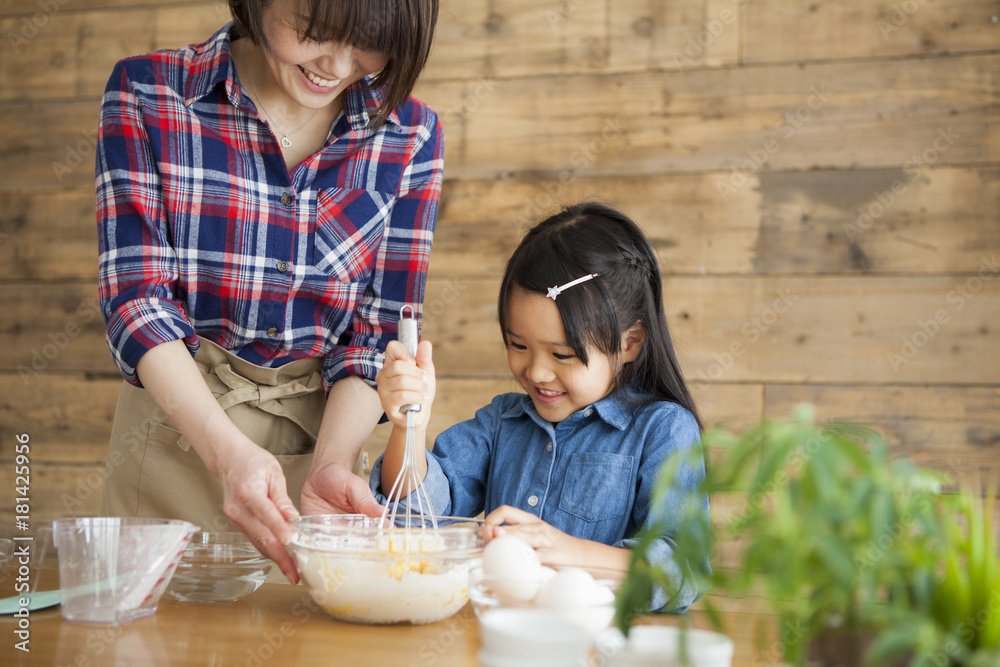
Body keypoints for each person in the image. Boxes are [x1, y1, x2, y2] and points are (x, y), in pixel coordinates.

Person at [95, 0, 442, 584]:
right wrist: (228, 456)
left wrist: (330, 465)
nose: (336, 64)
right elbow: (137, 304)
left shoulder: (409, 133)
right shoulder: (149, 92)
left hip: (322, 448)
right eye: (319, 32)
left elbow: (378, 335)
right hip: (175, 433)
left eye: (369, 44)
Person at [374, 201, 711, 612]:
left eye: (563, 355)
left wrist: (564, 551)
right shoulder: (503, 422)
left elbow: (683, 569)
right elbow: (416, 518)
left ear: (630, 343)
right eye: (518, 346)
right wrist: (408, 425)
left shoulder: (663, 431)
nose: (535, 371)